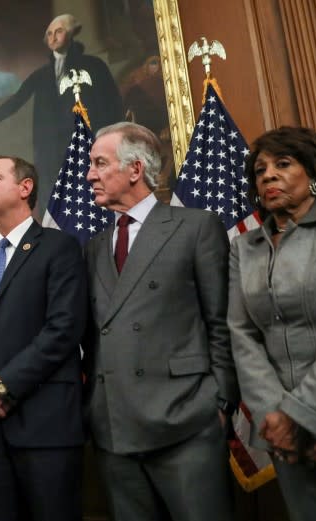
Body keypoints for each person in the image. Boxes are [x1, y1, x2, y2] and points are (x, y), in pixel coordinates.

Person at [83, 122, 237, 521]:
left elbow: (221, 321)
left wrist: (220, 402)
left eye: (100, 163)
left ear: (135, 170)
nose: (89, 174)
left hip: (187, 423)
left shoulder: (195, 226)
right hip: (114, 429)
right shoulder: (95, 247)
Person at [0, 157, 87, 521]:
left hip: (45, 425)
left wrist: (1, 388)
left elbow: (63, 329)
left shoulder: (60, 248)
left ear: (25, 188)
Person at [229, 127, 316, 520]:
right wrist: (277, 420)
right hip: (283, 434)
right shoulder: (244, 248)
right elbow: (242, 336)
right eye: (260, 170)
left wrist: (300, 417)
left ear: (314, 173)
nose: (268, 176)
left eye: (283, 164)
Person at [0, 14, 123, 212]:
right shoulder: (41, 75)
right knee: (56, 205)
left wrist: (110, 140)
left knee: (89, 203)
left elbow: (111, 102)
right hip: (51, 152)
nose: (52, 37)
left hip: (85, 146)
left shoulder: (94, 66)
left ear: (70, 34)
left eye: (58, 31)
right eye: (49, 33)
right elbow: (18, 99)